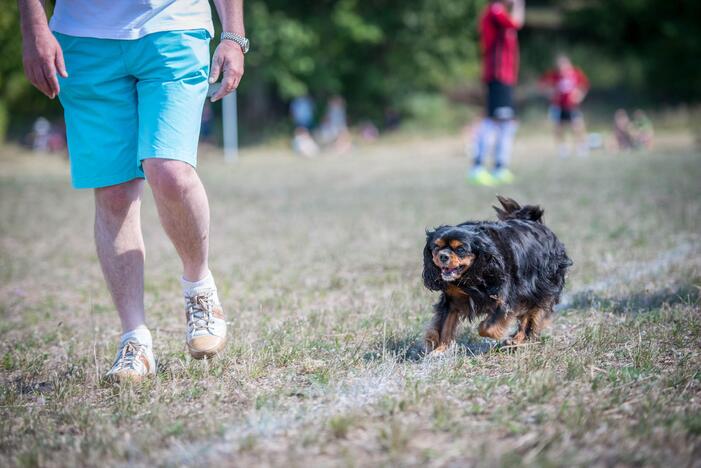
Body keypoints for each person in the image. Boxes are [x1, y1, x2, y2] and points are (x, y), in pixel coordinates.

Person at [19, 0, 248, 382]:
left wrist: (233, 36)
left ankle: (199, 289)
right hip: (83, 38)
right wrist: (33, 27)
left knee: (170, 170)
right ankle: (135, 339)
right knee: (114, 194)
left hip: (175, 24)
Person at [469, 0, 525, 186]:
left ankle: (499, 168)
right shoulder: (495, 10)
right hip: (498, 75)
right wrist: (519, 4)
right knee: (494, 120)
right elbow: (517, 23)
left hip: (506, 77)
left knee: (506, 122)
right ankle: (477, 168)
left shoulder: (499, 12)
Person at [540, 54, 590, 158]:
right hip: (558, 106)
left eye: (564, 64)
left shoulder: (576, 73)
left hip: (572, 106)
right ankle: (562, 149)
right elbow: (542, 84)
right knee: (559, 128)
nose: (562, 67)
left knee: (577, 126)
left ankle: (581, 147)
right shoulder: (554, 75)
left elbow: (585, 85)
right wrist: (549, 93)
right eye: (559, 65)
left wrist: (580, 95)